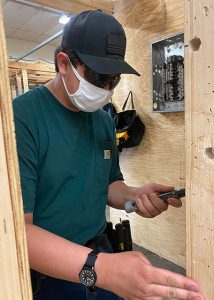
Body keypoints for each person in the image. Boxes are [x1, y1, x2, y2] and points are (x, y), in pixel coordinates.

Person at [13, 9, 204, 300]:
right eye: (100, 77)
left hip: (101, 250)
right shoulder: (21, 118)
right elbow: (18, 233)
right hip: (51, 270)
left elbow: (108, 184)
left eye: (113, 81)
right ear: (64, 63)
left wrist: (135, 195)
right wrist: (104, 269)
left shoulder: (102, 119)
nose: (106, 90)